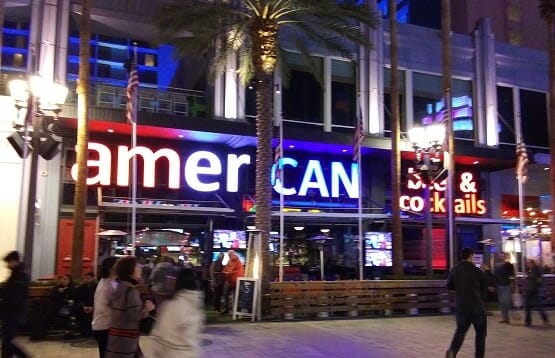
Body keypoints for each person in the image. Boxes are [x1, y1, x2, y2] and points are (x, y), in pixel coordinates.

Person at [106, 256, 156, 358]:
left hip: (117, 335)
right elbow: (134, 316)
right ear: (130, 270)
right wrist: (147, 308)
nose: (140, 268)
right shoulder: (131, 290)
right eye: (137, 267)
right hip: (126, 337)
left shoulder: (119, 286)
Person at [151, 268, 205, 357]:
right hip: (191, 352)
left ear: (178, 282)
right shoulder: (196, 303)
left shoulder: (173, 306)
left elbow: (161, 336)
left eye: (171, 279)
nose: (168, 282)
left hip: (174, 353)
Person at [445, 247, 487, 358]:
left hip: (461, 307)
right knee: (480, 334)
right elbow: (485, 287)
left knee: (460, 331)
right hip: (476, 307)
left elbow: (449, 286)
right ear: (471, 256)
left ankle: (452, 351)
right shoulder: (477, 271)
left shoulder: (455, 269)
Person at [0, 250, 30, 358]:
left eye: (9, 262)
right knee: (7, 340)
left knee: (7, 340)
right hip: (9, 313)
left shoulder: (21, 276)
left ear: (15, 261)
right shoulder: (14, 275)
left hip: (13, 313)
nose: (7, 265)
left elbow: (15, 297)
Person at [92, 257, 118, 358]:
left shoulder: (109, 282)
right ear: (111, 269)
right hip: (105, 326)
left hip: (104, 324)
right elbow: (114, 305)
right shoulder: (107, 285)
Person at [524, 259, 550, 327]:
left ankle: (545, 320)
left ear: (532, 263)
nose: (528, 264)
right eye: (528, 263)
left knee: (538, 306)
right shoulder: (530, 270)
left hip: (533, 290)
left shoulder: (536, 270)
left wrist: (536, 285)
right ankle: (528, 321)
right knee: (528, 306)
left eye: (529, 263)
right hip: (529, 290)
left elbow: (539, 280)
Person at [493, 252, 515, 324]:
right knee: (502, 302)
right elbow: (495, 276)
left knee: (505, 302)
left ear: (504, 257)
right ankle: (504, 318)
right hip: (500, 285)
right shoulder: (496, 266)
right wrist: (494, 285)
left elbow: (512, 274)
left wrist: (512, 283)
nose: (501, 257)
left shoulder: (508, 265)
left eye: (502, 256)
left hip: (506, 285)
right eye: (500, 256)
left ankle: (507, 317)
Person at [221, 250, 244, 314]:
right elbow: (226, 268)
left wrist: (227, 272)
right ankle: (234, 310)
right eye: (228, 254)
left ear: (232, 254)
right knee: (233, 296)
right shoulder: (231, 260)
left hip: (233, 280)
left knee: (227, 295)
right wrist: (225, 271)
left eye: (229, 254)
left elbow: (232, 270)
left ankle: (230, 309)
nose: (229, 255)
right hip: (232, 280)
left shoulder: (234, 260)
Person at [75, 271, 97, 337]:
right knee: (78, 312)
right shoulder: (81, 288)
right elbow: (79, 298)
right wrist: (84, 306)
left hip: (95, 306)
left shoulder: (97, 287)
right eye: (85, 278)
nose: (86, 280)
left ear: (93, 278)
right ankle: (83, 331)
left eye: (88, 278)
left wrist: (92, 307)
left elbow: (99, 299)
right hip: (84, 306)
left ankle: (91, 332)